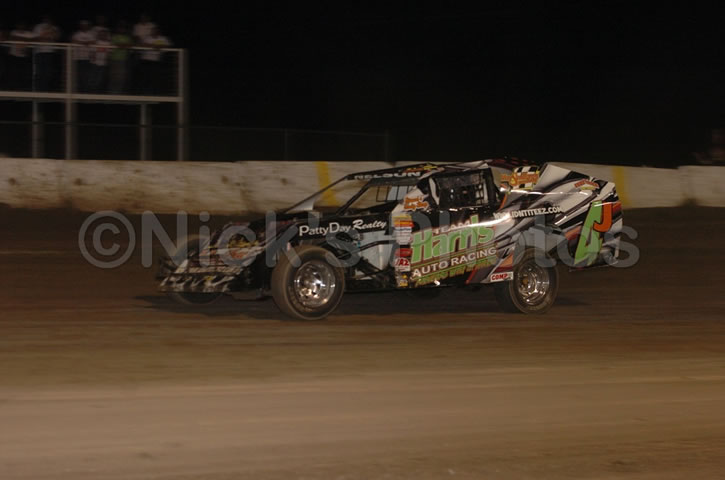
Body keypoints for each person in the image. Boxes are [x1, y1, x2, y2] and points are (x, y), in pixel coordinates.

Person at [32, 15, 61, 91]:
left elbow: (56, 37)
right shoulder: (38, 27)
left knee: (49, 72)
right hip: (39, 52)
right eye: (46, 19)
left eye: (49, 19)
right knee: (39, 72)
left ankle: (46, 89)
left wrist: (50, 32)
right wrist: (45, 36)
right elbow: (35, 38)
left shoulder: (54, 28)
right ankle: (38, 89)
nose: (47, 20)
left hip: (50, 52)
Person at [139, 26, 171, 94]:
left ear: (159, 31)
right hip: (146, 60)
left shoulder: (163, 38)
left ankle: (153, 92)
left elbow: (169, 45)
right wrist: (153, 46)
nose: (154, 32)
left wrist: (160, 46)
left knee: (155, 78)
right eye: (153, 30)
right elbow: (142, 44)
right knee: (145, 77)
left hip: (157, 61)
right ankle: (144, 93)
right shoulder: (147, 38)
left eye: (156, 30)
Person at [109, 21, 133, 94]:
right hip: (114, 59)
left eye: (123, 28)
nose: (122, 30)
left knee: (121, 78)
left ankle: (118, 92)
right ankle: (112, 92)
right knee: (113, 77)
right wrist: (122, 45)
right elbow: (115, 44)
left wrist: (122, 45)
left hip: (123, 60)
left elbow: (130, 45)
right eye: (120, 28)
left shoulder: (127, 38)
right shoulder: (114, 37)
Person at [71, 20, 94, 92]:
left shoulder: (91, 34)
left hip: (88, 58)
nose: (84, 27)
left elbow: (93, 42)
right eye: (83, 25)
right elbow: (73, 41)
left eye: (86, 25)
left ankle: (86, 90)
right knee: (79, 75)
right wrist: (85, 43)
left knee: (87, 75)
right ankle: (79, 90)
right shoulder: (77, 34)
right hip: (78, 58)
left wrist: (82, 42)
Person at [88, 28, 111, 93]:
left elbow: (109, 53)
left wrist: (107, 60)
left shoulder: (108, 43)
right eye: (101, 34)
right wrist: (92, 59)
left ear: (106, 35)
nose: (102, 36)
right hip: (95, 64)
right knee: (92, 78)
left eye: (104, 34)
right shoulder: (96, 42)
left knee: (100, 79)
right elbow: (92, 52)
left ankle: (97, 91)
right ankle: (91, 91)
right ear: (99, 35)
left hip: (103, 64)